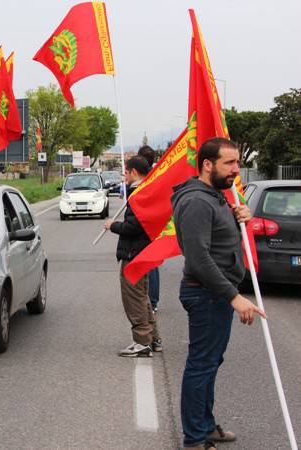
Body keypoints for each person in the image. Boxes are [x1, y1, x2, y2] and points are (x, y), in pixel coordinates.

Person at [171, 138, 266, 450]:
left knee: (210, 363)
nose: (236, 170)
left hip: (214, 294)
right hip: (207, 295)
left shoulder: (215, 196)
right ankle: (195, 438)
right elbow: (198, 260)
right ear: (207, 165)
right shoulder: (197, 202)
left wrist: (241, 218)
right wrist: (233, 297)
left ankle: (206, 427)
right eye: (229, 164)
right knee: (201, 365)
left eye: (237, 163)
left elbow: (221, 241)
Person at [104, 156, 161, 357]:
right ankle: (153, 338)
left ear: (134, 172)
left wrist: (113, 226)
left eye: (126, 173)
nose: (124, 177)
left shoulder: (139, 194)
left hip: (133, 253)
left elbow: (133, 226)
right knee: (142, 297)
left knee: (134, 299)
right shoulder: (149, 191)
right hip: (143, 252)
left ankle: (142, 342)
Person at [138, 145, 160, 312]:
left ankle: (149, 301)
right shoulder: (159, 174)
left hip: (144, 224)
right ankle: (153, 301)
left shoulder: (145, 177)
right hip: (156, 223)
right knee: (152, 264)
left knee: (148, 264)